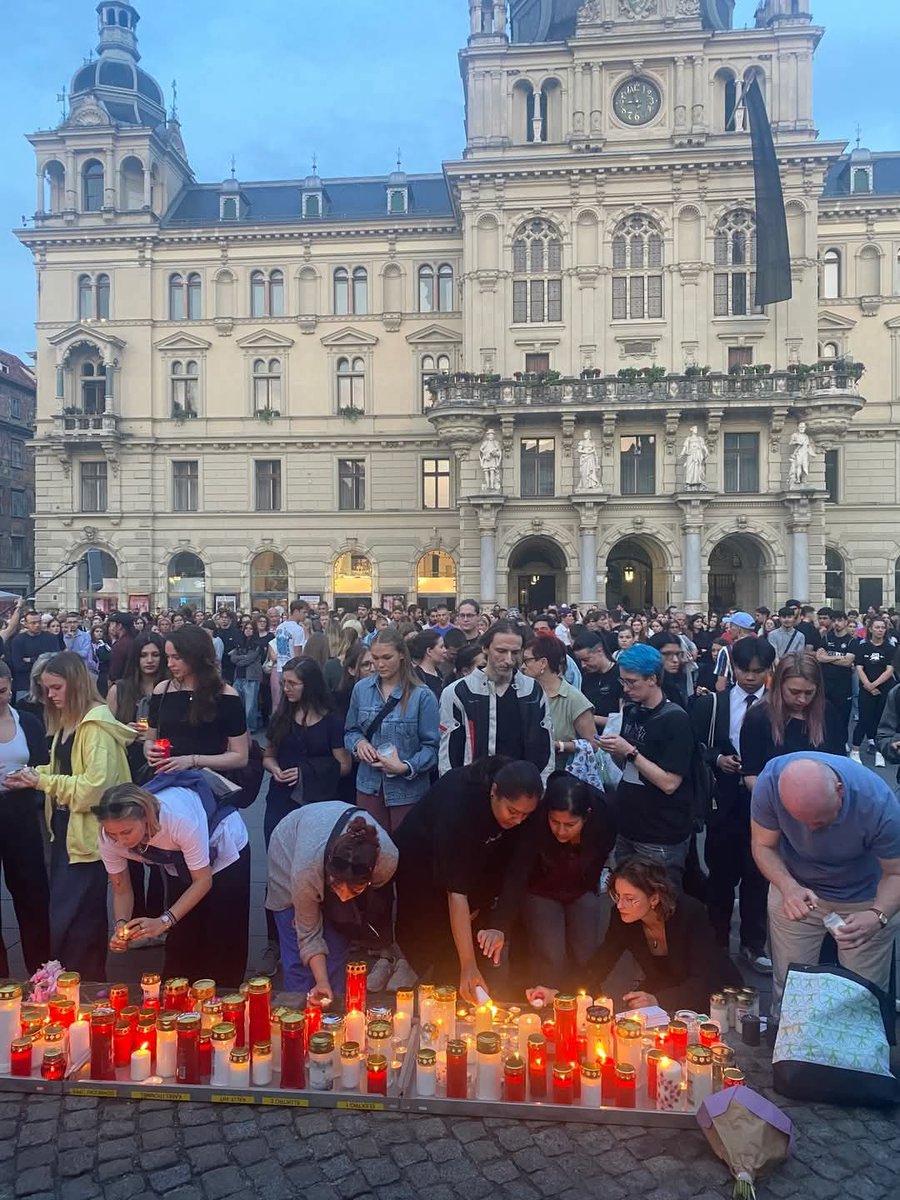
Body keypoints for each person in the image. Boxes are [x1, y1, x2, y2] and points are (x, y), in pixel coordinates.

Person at [3, 651, 134, 981]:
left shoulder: (95, 725)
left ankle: (81, 989)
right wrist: (35, 773)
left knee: (77, 921)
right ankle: (73, 988)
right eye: (46, 688)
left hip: (87, 834)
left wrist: (41, 780)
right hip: (67, 829)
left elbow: (94, 788)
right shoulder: (72, 721)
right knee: (70, 918)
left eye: (56, 688)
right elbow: (66, 768)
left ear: (75, 684)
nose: (50, 696)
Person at [751, 754, 900, 1018]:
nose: (809, 829)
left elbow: (896, 873)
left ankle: (857, 1055)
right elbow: (763, 845)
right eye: (798, 820)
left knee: (861, 992)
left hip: (863, 897)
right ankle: (791, 1050)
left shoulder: (878, 804)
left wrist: (878, 915)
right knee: (791, 985)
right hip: (796, 887)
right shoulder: (771, 782)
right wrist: (788, 886)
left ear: (839, 791)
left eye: (818, 821)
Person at [393, 757, 542, 1002]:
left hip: (481, 862)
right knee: (434, 938)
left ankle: (466, 981)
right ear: (494, 792)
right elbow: (456, 890)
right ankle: (437, 985)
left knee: (475, 925)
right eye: (512, 812)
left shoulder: (525, 807)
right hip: (424, 861)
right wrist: (468, 965)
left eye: (525, 815)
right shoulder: (459, 802)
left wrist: (499, 925)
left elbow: (519, 870)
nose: (518, 821)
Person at [527, 858, 741, 1015]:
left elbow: (704, 980)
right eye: (617, 896)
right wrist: (560, 994)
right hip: (664, 989)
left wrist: (658, 999)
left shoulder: (690, 913)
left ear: (654, 898)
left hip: (716, 997)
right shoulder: (623, 917)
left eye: (630, 899)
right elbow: (601, 963)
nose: (620, 905)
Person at [97, 779, 250, 988]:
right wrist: (120, 926)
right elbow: (121, 888)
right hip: (173, 858)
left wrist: (163, 921)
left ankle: (224, 999)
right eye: (113, 833)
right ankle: (177, 1002)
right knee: (182, 936)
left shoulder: (177, 820)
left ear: (145, 817)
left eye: (126, 832)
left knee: (222, 932)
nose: (121, 841)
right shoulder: (108, 839)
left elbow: (203, 880)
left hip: (222, 842)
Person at [689, 636, 776, 973]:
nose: (751, 677)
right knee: (721, 875)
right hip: (723, 799)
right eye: (744, 670)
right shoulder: (714, 704)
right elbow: (697, 746)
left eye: (758, 671)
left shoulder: (777, 705)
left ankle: (754, 944)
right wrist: (719, 758)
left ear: (769, 670)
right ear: (733, 668)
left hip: (763, 801)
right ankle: (718, 939)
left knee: (758, 875)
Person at [485, 773, 616, 989]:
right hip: (541, 888)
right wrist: (500, 925)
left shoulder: (605, 816)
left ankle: (584, 1005)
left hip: (582, 886)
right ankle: (547, 1006)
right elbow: (517, 872)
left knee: (586, 952)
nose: (561, 831)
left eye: (570, 824)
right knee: (551, 953)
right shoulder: (534, 822)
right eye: (555, 822)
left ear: (587, 816)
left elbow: (601, 856)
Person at [266, 800, 398, 1000]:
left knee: (336, 951)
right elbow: (308, 934)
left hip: (321, 855)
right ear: (329, 873)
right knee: (297, 959)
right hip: (289, 853)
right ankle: (297, 1016)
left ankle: (333, 1015)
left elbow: (377, 897)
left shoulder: (386, 860)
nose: (344, 897)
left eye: (354, 890)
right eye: (337, 887)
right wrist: (321, 982)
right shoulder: (306, 870)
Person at [599, 644, 696, 885]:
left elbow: (670, 783)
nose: (626, 688)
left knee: (659, 903)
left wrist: (629, 752)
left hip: (660, 834)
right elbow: (628, 769)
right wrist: (614, 751)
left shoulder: (675, 719)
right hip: (628, 826)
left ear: (652, 679)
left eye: (632, 682)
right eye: (623, 682)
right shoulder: (632, 711)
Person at [344, 627, 439, 832]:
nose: (379, 664)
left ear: (402, 655)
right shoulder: (361, 689)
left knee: (405, 853)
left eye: (387, 657)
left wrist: (405, 766)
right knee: (369, 851)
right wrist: (359, 743)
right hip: (369, 787)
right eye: (375, 658)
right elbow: (350, 731)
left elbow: (432, 748)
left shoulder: (423, 695)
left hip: (408, 791)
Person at [439, 620, 554, 782]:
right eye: (501, 651)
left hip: (521, 789)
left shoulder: (533, 690)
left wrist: (541, 787)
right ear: (485, 648)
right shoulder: (458, 692)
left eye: (515, 653)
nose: (508, 659)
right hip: (475, 789)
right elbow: (449, 753)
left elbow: (545, 745)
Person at [144, 625, 250, 779]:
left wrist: (192, 760)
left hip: (208, 780)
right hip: (165, 776)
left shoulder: (226, 695)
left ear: (195, 656)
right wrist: (149, 750)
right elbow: (150, 739)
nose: (170, 664)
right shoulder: (162, 690)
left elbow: (240, 757)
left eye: (177, 657)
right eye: (167, 657)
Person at [0, 660, 50, 976]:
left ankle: (42, 970)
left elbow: (45, 765)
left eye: (2, 691)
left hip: (20, 811)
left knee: (32, 892)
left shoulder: (28, 721)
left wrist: (32, 780)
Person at [740, 651, 846, 789]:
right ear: (779, 685)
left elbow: (841, 763)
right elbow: (750, 774)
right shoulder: (758, 717)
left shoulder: (827, 711)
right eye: (794, 692)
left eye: (809, 693)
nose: (802, 699)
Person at [520, 632, 596, 767]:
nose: (523, 667)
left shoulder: (573, 698)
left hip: (562, 772)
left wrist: (559, 745)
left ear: (543, 663)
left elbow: (593, 744)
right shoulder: (525, 693)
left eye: (527, 660)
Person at [851, 616, 895, 767]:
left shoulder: (890, 648)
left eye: (882, 628)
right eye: (877, 627)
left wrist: (875, 684)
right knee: (864, 719)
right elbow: (859, 667)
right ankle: (855, 750)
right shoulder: (862, 647)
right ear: (870, 629)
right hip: (866, 688)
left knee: (879, 720)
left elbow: (890, 670)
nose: (880, 630)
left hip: (884, 688)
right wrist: (868, 685)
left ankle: (879, 752)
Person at [816, 609, 857, 741]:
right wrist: (839, 658)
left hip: (843, 685)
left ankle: (843, 743)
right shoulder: (827, 638)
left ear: (846, 622)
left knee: (843, 716)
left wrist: (828, 657)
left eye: (840, 620)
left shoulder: (852, 641)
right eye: (834, 621)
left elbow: (848, 662)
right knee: (824, 715)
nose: (837, 623)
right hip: (826, 683)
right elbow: (819, 657)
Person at [572, 632, 622, 731]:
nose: (583, 665)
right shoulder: (586, 677)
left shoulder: (620, 675)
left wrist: (590, 718)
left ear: (599, 651)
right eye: (580, 661)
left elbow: (622, 720)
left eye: (586, 660)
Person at [9, 611, 60, 700]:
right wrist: (42, 661)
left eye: (39, 622)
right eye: (33, 623)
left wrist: (31, 660)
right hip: (24, 686)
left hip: (47, 685)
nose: (37, 625)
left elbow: (55, 661)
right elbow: (18, 665)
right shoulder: (18, 640)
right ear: (26, 624)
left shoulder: (51, 638)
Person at [409, 629, 446, 701]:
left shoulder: (437, 671)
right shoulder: (418, 678)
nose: (445, 650)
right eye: (441, 647)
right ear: (429, 651)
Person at [106, 612, 136, 686]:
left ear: (119, 626)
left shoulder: (120, 646)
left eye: (113, 624)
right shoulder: (134, 641)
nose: (111, 627)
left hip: (121, 688)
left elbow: (114, 673)